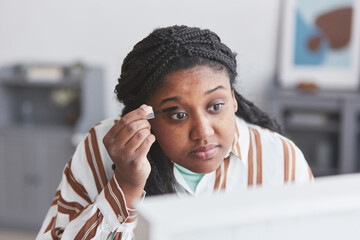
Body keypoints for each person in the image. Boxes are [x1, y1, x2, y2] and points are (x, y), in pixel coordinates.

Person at [36, 25, 313, 240]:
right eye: (178, 115)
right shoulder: (99, 147)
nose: (203, 132)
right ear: (146, 117)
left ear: (233, 98)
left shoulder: (281, 158)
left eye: (216, 106)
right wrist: (125, 185)